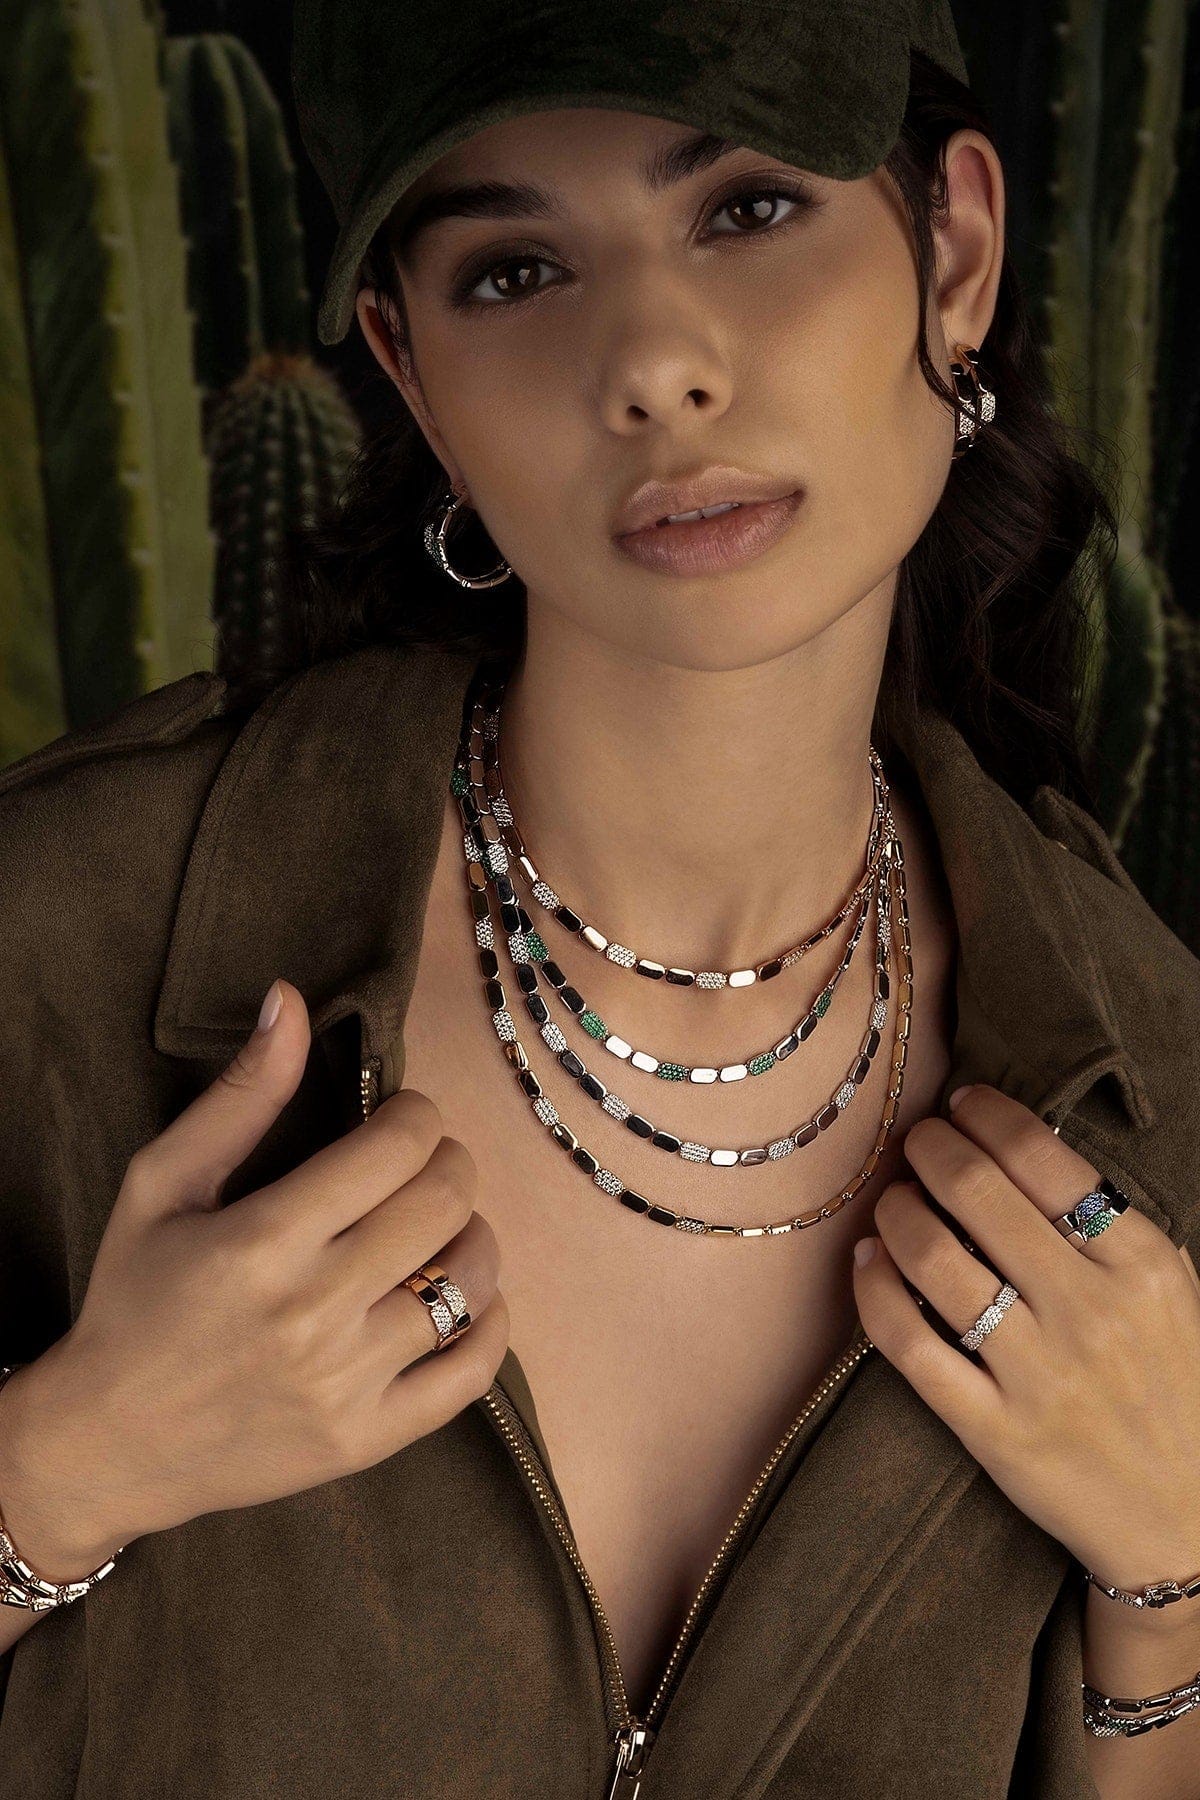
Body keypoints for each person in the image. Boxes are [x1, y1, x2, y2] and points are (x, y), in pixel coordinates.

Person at [1, 2, 1199, 1795]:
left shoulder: (1148, 1079)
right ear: (411, 370)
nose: (652, 360)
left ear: (952, 249)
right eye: (516, 271)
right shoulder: (63, 949)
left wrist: (1173, 1579)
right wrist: (58, 1472)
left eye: (744, 211)